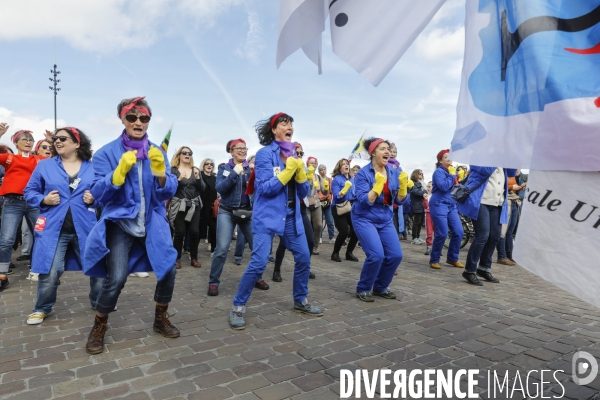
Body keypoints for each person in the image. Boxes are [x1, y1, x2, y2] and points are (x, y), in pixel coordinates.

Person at [83, 96, 179, 354]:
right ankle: (99, 326)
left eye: (144, 118)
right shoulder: (106, 153)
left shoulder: (158, 151)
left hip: (152, 220)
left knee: (169, 269)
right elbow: (99, 193)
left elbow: (167, 191)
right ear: (123, 119)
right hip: (121, 223)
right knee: (115, 279)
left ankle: (160, 319)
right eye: (132, 117)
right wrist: (117, 174)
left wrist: (161, 174)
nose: (138, 122)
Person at [229, 112, 323, 330]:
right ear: (274, 129)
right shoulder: (264, 154)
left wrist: (300, 176)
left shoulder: (296, 155)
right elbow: (264, 188)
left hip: (292, 216)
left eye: (291, 124)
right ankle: (237, 306)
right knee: (259, 263)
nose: (289, 127)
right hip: (267, 216)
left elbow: (302, 193)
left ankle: (301, 301)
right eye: (284, 123)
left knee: (304, 258)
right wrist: (288, 171)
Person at [23, 127, 103, 324]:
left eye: (63, 138)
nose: (57, 141)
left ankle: (99, 301)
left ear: (77, 143)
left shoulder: (93, 168)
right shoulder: (45, 166)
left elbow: (105, 195)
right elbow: (29, 191)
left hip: (86, 228)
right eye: (56, 139)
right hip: (54, 229)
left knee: (98, 268)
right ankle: (41, 308)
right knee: (50, 271)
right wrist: (43, 199)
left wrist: (94, 199)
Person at [208, 139, 268, 296]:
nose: (243, 151)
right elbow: (220, 188)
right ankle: (213, 282)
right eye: (239, 148)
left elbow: (260, 189)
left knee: (257, 247)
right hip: (227, 212)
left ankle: (257, 277)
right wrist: (235, 172)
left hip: (247, 213)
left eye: (245, 148)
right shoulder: (224, 168)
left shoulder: (250, 170)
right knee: (221, 249)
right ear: (231, 151)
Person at [353, 138, 407, 302]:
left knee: (396, 255)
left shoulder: (393, 172)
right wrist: (377, 187)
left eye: (388, 149)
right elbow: (364, 200)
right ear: (373, 152)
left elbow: (398, 200)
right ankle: (363, 288)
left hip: (385, 218)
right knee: (376, 255)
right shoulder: (363, 173)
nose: (388, 152)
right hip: (364, 218)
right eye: (383, 149)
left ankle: (380, 286)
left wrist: (403, 188)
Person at [0, 127, 46, 292]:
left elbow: (58, 159)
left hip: (34, 203)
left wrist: (54, 140)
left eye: (30, 140)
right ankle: (2, 275)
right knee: (6, 239)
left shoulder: (38, 159)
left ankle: (40, 270)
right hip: (13, 202)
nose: (28, 142)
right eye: (24, 140)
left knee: (41, 235)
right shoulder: (9, 158)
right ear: (16, 143)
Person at [457, 166, 517, 286]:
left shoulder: (502, 159)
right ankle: (470, 270)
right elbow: (486, 170)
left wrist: (511, 157)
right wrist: (497, 156)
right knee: (482, 235)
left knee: (495, 236)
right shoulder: (480, 155)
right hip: (481, 201)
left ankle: (484, 268)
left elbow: (511, 173)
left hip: (497, 203)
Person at [272, 143, 316, 282]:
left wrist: (307, 178)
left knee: (310, 240)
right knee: (283, 243)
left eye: (301, 153)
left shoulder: (302, 167)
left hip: (301, 209)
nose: (298, 155)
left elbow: (306, 193)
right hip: (287, 209)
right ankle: (276, 269)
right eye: (296, 152)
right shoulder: (284, 167)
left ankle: (305, 266)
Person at [169, 146, 204, 269]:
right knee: (179, 233)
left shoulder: (195, 170)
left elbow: (202, 189)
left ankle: (194, 258)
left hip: (194, 205)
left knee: (195, 232)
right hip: (179, 205)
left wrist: (198, 178)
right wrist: (179, 179)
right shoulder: (173, 170)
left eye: (190, 153)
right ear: (179, 155)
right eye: (184, 153)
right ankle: (177, 258)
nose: (187, 155)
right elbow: (169, 188)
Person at [428, 150, 465, 269]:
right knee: (442, 233)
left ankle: (452, 258)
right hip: (439, 204)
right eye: (446, 157)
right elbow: (443, 187)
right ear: (440, 160)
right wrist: (453, 175)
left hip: (451, 205)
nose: (449, 158)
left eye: (450, 156)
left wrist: (462, 178)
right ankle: (434, 259)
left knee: (459, 232)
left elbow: (458, 188)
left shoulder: (452, 171)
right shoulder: (438, 172)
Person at [330, 158, 359, 263]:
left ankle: (349, 253)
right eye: (343, 164)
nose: (346, 165)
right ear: (340, 168)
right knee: (344, 232)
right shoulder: (337, 180)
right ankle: (335, 253)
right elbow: (337, 196)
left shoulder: (352, 179)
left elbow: (356, 194)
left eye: (347, 164)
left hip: (351, 207)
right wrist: (345, 189)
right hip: (339, 207)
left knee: (356, 231)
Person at [495, 170, 524, 265]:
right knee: (504, 230)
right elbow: (498, 187)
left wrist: (519, 187)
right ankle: (502, 256)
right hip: (506, 201)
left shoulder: (512, 173)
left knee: (510, 231)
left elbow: (513, 188)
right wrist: (512, 187)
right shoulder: (502, 171)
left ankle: (510, 255)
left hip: (514, 200)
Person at [233, 154, 255, 265]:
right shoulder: (245, 172)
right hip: (245, 208)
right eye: (253, 161)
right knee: (242, 233)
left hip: (257, 207)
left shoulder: (258, 172)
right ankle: (238, 255)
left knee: (256, 235)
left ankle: (262, 257)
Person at [199, 158, 217, 255]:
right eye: (207, 164)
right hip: (200, 208)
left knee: (214, 229)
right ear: (203, 165)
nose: (209, 165)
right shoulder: (199, 176)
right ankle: (192, 252)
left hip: (211, 208)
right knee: (196, 231)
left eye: (211, 164)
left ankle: (213, 249)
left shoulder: (215, 178)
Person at [409, 169, 427, 245]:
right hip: (416, 205)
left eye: (422, 174)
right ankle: (414, 238)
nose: (421, 175)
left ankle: (418, 236)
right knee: (416, 222)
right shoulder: (413, 183)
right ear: (415, 174)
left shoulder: (421, 183)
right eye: (420, 174)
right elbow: (415, 192)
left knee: (420, 222)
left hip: (421, 205)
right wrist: (424, 192)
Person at [318, 164, 334, 243]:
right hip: (319, 202)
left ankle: (331, 237)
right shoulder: (317, 179)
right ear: (319, 171)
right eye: (321, 170)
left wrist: (330, 198)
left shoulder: (329, 180)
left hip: (327, 202)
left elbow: (331, 191)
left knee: (330, 220)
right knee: (319, 221)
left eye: (324, 169)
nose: (323, 171)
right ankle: (319, 237)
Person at [424, 181, 434, 256]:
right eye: (427, 187)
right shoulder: (427, 196)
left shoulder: (436, 196)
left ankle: (437, 248)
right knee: (429, 232)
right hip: (428, 214)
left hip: (436, 215)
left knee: (437, 232)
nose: (428, 188)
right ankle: (429, 246)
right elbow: (425, 206)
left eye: (429, 187)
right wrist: (425, 199)